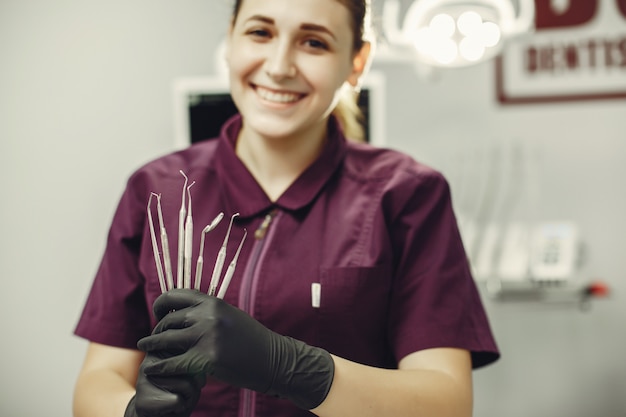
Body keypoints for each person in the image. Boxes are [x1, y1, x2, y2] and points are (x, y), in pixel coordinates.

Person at [72, 0, 500, 416]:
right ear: (231, 41)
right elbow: (100, 377)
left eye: (314, 43)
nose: (279, 66)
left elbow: (447, 403)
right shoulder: (156, 189)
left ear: (357, 62)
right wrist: (129, 410)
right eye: (260, 32)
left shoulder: (407, 196)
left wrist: (292, 368)